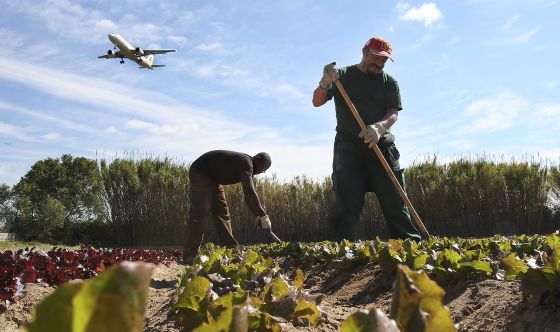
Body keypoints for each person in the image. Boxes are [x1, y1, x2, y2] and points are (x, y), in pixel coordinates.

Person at [312, 36, 420, 242]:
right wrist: (325, 82)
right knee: (345, 206)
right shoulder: (341, 76)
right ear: (364, 51)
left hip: (381, 146)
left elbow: (393, 112)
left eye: (384, 60)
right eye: (376, 58)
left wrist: (380, 127)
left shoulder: (389, 82)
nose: (379, 64)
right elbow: (317, 101)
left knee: (396, 203)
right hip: (348, 150)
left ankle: (411, 248)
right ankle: (342, 253)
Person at [183, 150, 272, 264]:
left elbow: (248, 197)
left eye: (264, 171)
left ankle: (231, 251)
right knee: (200, 213)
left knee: (223, 213)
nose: (261, 171)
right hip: (201, 172)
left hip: (213, 180)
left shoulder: (249, 168)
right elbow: (250, 192)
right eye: (263, 168)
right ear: (258, 158)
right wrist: (263, 215)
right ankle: (189, 255)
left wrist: (258, 217)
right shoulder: (246, 162)